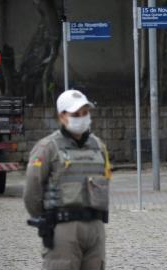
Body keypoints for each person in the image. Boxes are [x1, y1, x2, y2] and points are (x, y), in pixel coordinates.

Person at [24, 89, 112, 270]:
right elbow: (32, 191)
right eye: (76, 114)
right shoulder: (47, 148)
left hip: (95, 228)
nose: (82, 118)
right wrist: (45, 218)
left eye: (85, 113)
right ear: (62, 117)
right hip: (63, 227)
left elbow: (106, 178)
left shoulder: (99, 146)